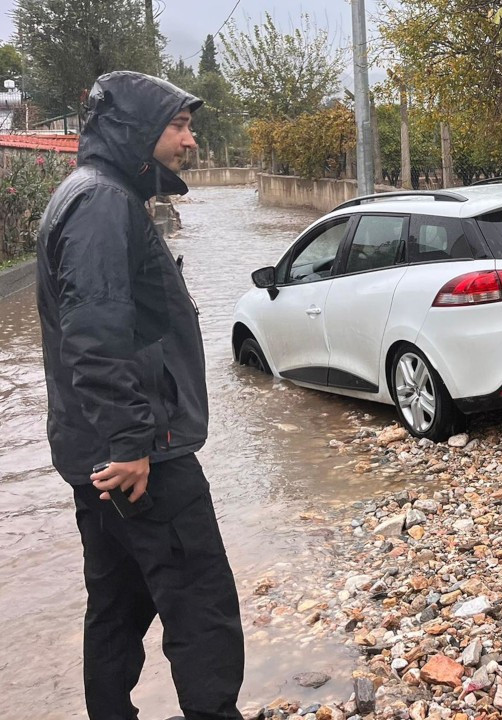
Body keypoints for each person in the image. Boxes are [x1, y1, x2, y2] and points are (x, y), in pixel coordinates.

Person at [35, 71, 244, 720]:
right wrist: (132, 442)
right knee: (203, 610)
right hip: (144, 458)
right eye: (178, 126)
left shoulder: (96, 195)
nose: (190, 138)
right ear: (134, 130)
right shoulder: (101, 204)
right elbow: (93, 337)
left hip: (103, 453)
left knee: (117, 611)